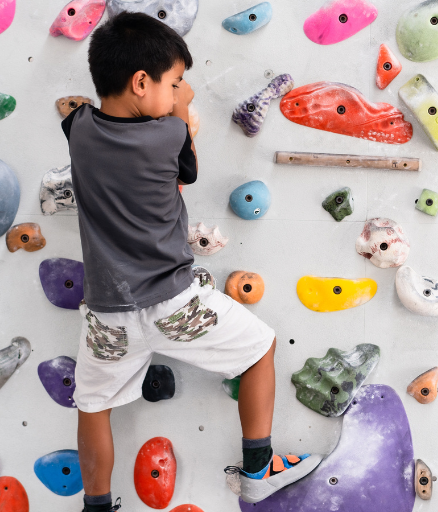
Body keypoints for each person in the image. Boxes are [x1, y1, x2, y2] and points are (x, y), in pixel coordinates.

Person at [61, 13, 321, 512]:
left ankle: (95, 507)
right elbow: (190, 169)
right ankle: (259, 468)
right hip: (174, 305)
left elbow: (93, 120)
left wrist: (171, 95)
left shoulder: (77, 128)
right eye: (174, 81)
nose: (181, 90)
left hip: (107, 316)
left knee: (93, 408)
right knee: (261, 347)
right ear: (142, 83)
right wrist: (181, 109)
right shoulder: (168, 135)